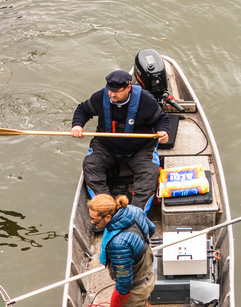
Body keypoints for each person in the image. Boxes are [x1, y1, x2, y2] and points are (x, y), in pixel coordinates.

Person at [71, 68, 173, 211]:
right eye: (110, 90)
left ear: (128, 88)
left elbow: (162, 119)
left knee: (150, 173)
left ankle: (135, 213)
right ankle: (106, 208)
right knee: (91, 165)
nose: (112, 94)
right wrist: (77, 125)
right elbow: (83, 110)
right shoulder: (100, 97)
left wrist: (163, 132)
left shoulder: (146, 100)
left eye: (117, 91)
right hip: (107, 146)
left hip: (139, 149)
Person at [88, 193, 155, 307]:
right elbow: (152, 228)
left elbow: (124, 285)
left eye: (95, 219)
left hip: (135, 286)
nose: (92, 222)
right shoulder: (132, 210)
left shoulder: (119, 244)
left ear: (108, 217)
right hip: (148, 274)